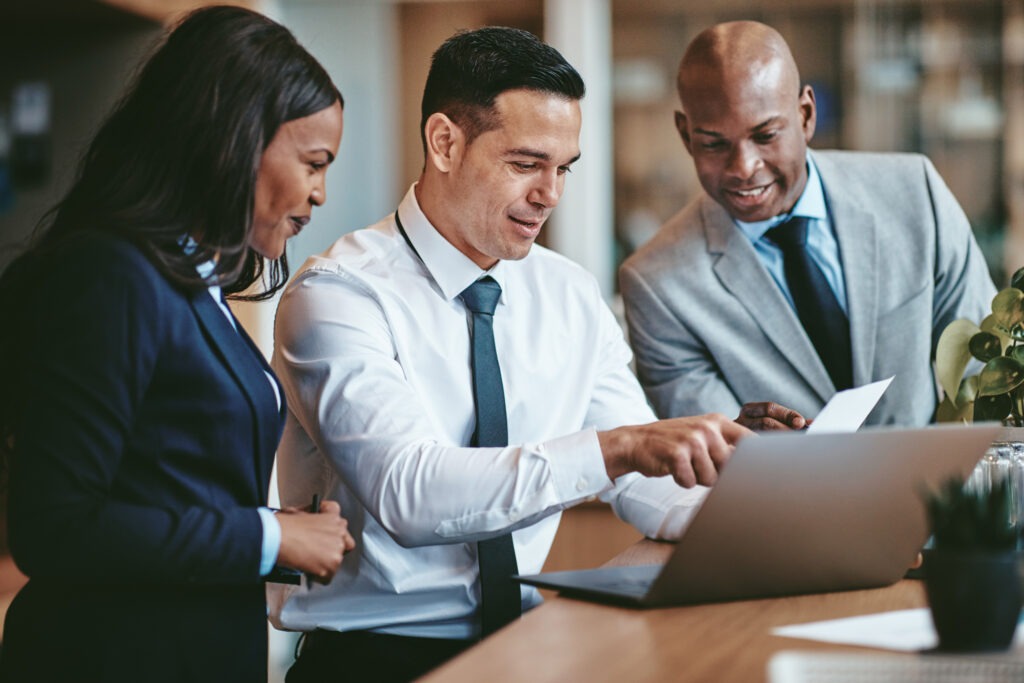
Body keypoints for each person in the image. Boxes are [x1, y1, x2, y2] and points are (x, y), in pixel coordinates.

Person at [269, 26, 757, 683]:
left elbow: (644, 480)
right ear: (445, 142)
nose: (551, 195)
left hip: (532, 648)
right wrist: (614, 447)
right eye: (527, 164)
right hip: (374, 659)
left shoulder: (569, 293)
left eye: (564, 169)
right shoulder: (337, 295)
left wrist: (770, 502)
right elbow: (410, 493)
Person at [0, 7, 355, 682]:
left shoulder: (191, 280)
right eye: (313, 162)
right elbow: (54, 525)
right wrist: (268, 536)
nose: (319, 193)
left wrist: (276, 530)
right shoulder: (111, 273)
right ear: (233, 140)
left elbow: (165, 480)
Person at [619, 20, 997, 430]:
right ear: (685, 135)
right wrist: (745, 443)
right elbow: (714, 452)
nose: (744, 168)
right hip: (784, 494)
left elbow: (984, 379)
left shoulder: (914, 195)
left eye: (765, 135)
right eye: (713, 143)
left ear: (806, 115)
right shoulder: (657, 284)